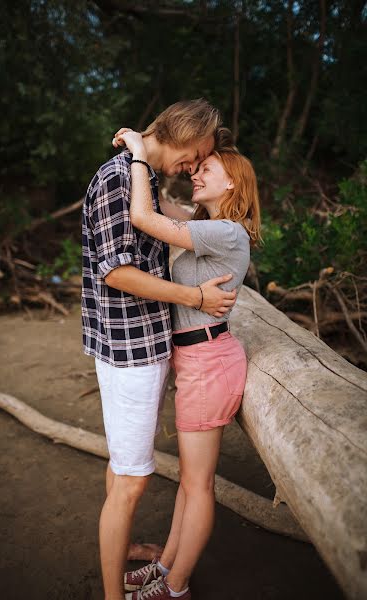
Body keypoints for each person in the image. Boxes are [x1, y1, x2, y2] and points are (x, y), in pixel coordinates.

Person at [81, 99, 238, 600]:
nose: (193, 167)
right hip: (130, 352)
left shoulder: (139, 176)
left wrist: (142, 160)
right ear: (185, 133)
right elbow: (118, 272)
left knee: (122, 468)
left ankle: (122, 546)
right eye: (197, 156)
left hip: (143, 347)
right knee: (131, 481)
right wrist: (196, 297)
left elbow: (162, 224)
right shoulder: (118, 179)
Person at [116, 127, 261, 599]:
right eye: (195, 167)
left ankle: (175, 588)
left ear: (233, 183)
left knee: (197, 487)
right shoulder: (209, 223)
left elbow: (142, 216)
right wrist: (156, 153)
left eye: (206, 169)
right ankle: (165, 565)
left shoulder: (225, 231)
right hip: (197, 360)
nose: (195, 174)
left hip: (208, 362)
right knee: (188, 481)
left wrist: (139, 153)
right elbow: (160, 206)